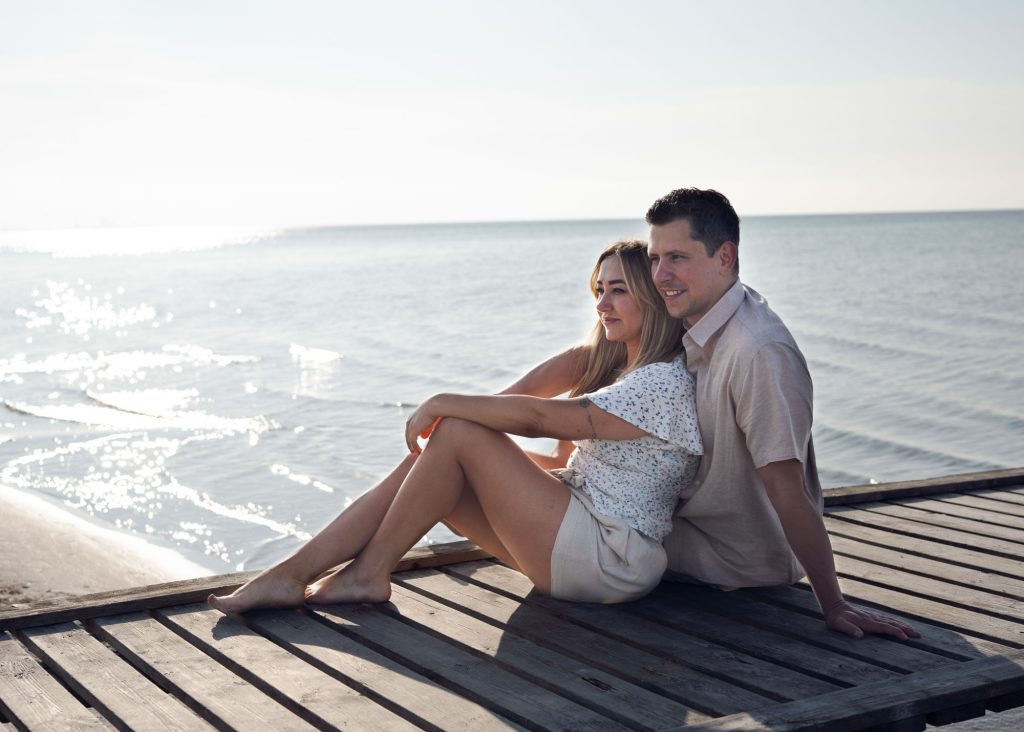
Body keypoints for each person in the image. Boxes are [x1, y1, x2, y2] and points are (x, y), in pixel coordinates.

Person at [209, 239, 702, 612]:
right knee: (444, 449)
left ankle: (365, 573)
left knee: (459, 432)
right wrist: (453, 439)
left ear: (651, 298)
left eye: (619, 291)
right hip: (578, 536)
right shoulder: (611, 363)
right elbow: (506, 405)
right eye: (599, 290)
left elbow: (536, 418)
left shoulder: (661, 382)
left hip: (611, 558)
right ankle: (294, 573)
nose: (602, 304)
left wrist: (441, 404)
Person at [646, 187, 918, 640]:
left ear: (725, 257)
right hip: (692, 535)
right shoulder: (702, 320)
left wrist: (834, 604)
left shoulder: (758, 352)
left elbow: (788, 490)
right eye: (654, 258)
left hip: (731, 560)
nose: (660, 274)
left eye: (676, 257)